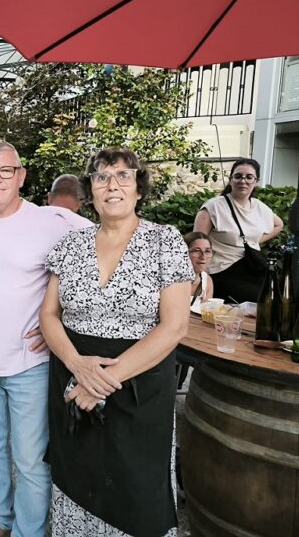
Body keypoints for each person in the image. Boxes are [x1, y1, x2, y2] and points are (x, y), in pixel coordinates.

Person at [39, 148, 193, 537]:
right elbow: (48, 316)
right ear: (90, 190)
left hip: (139, 388)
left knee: (137, 493)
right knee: (77, 479)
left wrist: (102, 382)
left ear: (139, 188)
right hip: (73, 383)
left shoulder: (165, 241)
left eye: (124, 176)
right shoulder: (70, 244)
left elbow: (175, 327)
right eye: (102, 177)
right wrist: (78, 367)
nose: (113, 185)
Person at [0, 139, 92, 537]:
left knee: (30, 459)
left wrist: (59, 323)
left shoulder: (53, 221)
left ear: (21, 176)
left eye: (5, 170)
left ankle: (29, 531)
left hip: (29, 362)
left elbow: (103, 250)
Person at [193, 159, 283, 302]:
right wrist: (200, 276)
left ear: (256, 181)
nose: (243, 181)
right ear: (231, 180)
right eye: (238, 176)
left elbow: (279, 224)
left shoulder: (259, 207)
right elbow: (197, 242)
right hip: (221, 269)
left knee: (280, 294)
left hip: (252, 266)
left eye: (249, 177)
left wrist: (253, 241)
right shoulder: (214, 206)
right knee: (261, 299)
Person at [184, 231, 214, 304]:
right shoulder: (171, 281)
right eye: (196, 251)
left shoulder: (207, 280)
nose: (203, 257)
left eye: (207, 251)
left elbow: (205, 310)